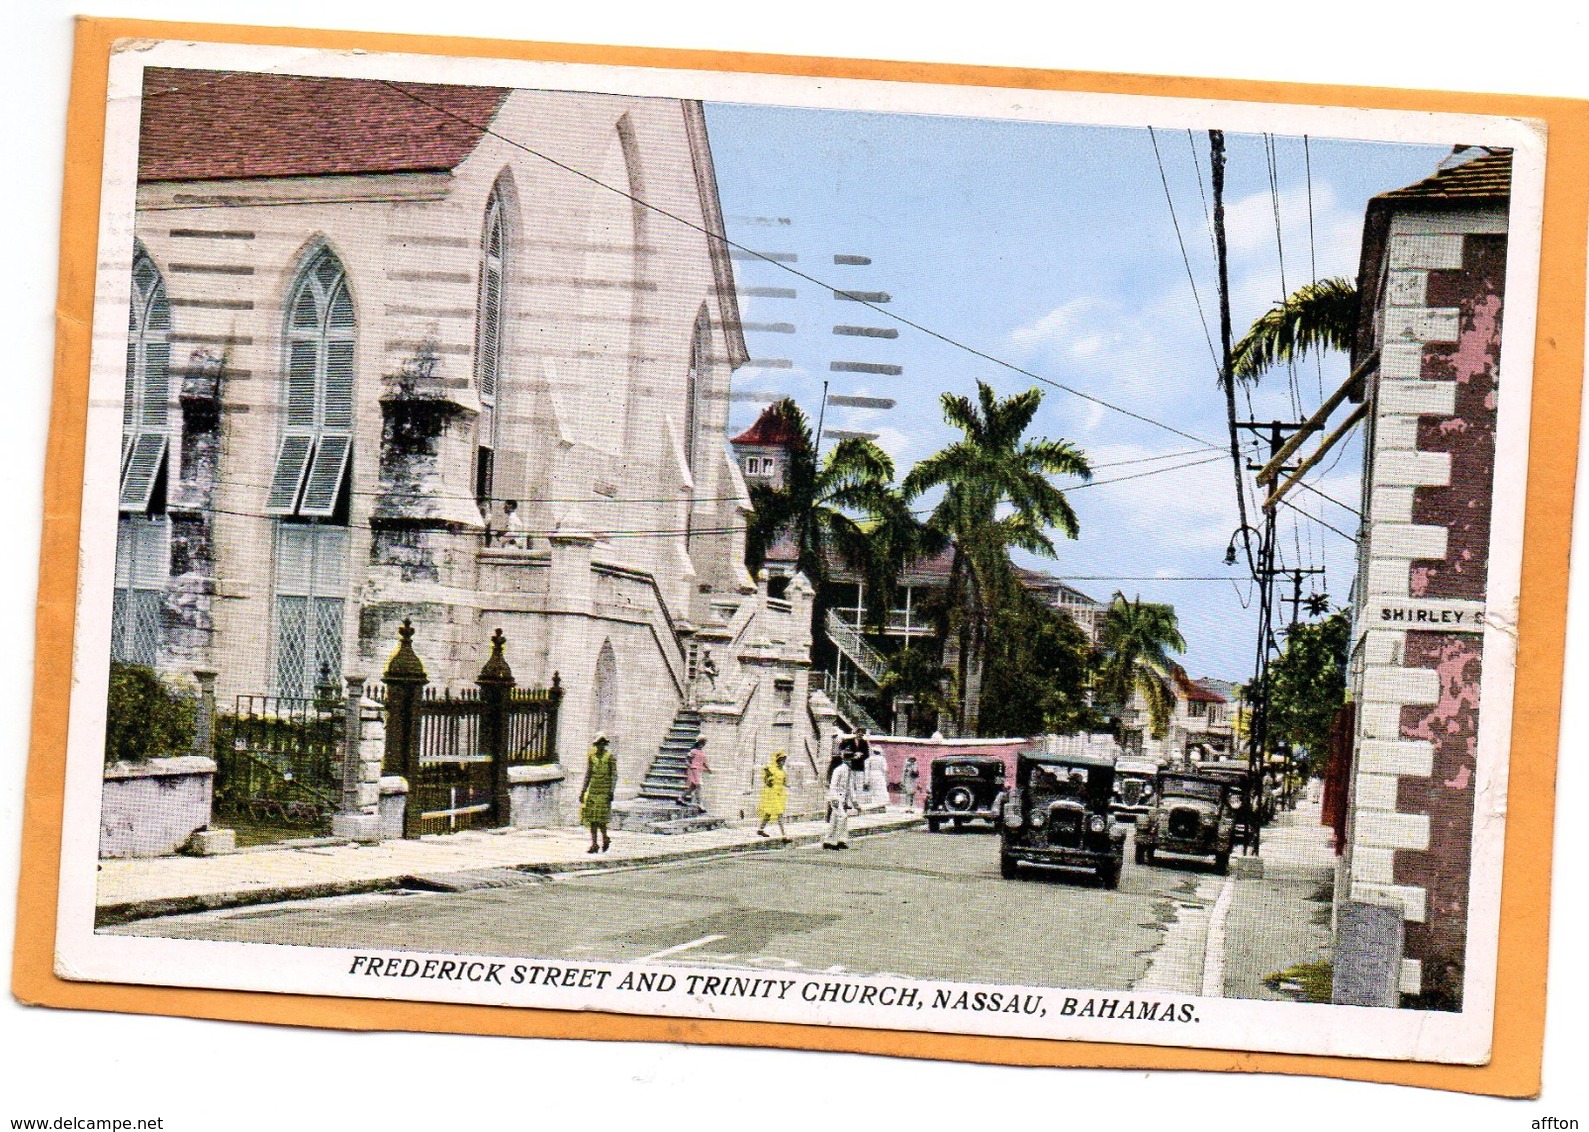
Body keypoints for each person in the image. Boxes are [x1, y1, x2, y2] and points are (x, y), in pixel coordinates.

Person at [580, 733, 616, 854]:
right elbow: (588, 774)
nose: (600, 746)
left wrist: (611, 791)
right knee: (592, 819)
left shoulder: (609, 756)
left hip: (604, 791)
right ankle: (594, 844)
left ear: (605, 744)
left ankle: (605, 838)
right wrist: (583, 791)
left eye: (602, 743)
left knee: (601, 819)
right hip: (593, 790)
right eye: (598, 743)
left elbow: (614, 776)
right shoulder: (592, 756)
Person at [823, 751, 856, 850]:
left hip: (842, 798)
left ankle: (828, 841)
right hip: (836, 797)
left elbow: (850, 787)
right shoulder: (838, 770)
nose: (850, 761)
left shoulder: (849, 771)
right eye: (848, 759)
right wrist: (834, 799)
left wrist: (854, 801)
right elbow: (833, 785)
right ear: (844, 759)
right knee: (843, 817)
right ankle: (837, 840)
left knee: (834, 820)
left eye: (851, 759)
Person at [756, 751, 789, 838]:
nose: (783, 763)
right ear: (777, 761)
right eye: (781, 761)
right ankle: (784, 835)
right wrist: (768, 779)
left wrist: (788, 785)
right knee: (779, 813)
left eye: (784, 761)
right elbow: (766, 779)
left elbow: (785, 783)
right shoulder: (771, 769)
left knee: (769, 813)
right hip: (772, 794)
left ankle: (760, 829)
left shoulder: (784, 772)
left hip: (780, 794)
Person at [685, 736, 712, 811]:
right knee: (698, 786)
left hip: (699, 771)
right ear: (699, 742)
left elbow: (704, 762)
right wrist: (691, 766)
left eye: (704, 743)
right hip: (694, 770)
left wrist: (708, 769)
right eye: (702, 742)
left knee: (692, 787)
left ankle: (681, 798)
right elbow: (687, 760)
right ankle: (700, 804)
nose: (703, 744)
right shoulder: (693, 751)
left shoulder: (702, 752)